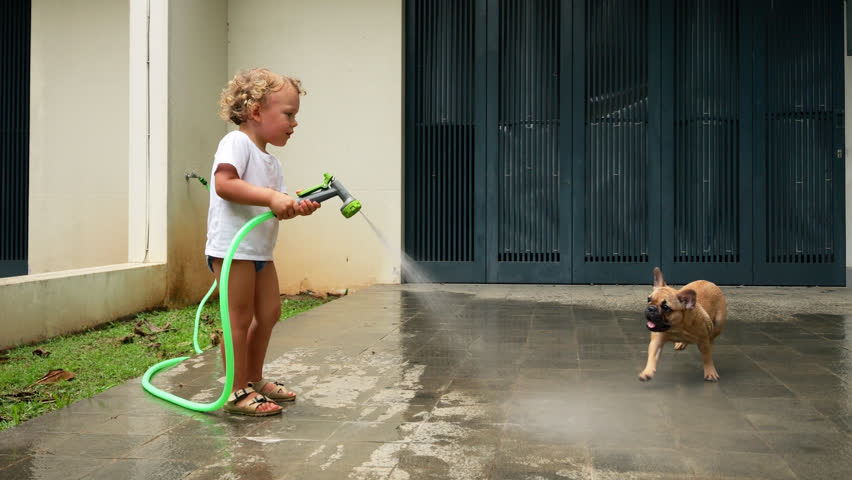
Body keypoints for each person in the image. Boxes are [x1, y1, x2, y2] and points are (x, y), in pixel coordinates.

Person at [206, 68, 320, 416]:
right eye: (288, 114)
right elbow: (225, 184)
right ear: (256, 112)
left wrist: (294, 207)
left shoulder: (272, 161)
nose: (294, 123)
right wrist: (271, 197)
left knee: (269, 313)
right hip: (232, 250)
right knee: (237, 320)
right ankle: (235, 390)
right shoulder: (236, 143)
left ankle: (253, 379)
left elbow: (271, 205)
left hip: (259, 251)